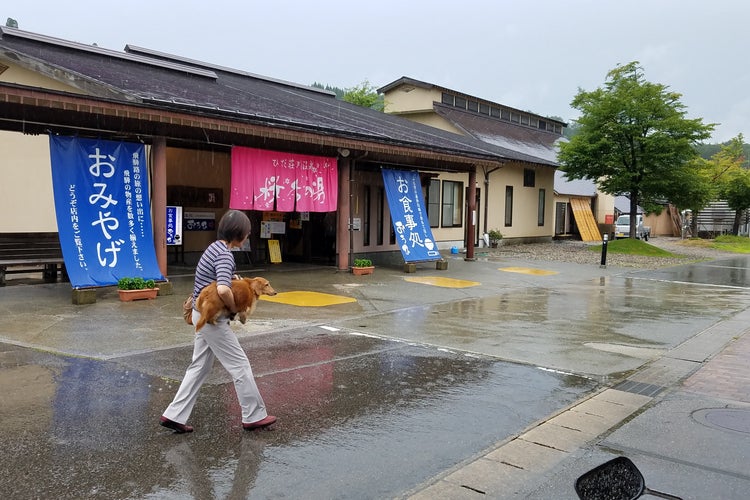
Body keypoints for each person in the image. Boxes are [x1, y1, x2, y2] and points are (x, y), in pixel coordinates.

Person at [160, 209, 276, 433]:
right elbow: (222, 288)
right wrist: (234, 309)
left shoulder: (214, 248)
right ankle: (253, 416)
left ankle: (173, 415)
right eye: (248, 233)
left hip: (200, 313)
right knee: (239, 364)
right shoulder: (224, 254)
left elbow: (222, 280)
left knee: (199, 367)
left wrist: (235, 281)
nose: (248, 236)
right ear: (239, 234)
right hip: (212, 320)